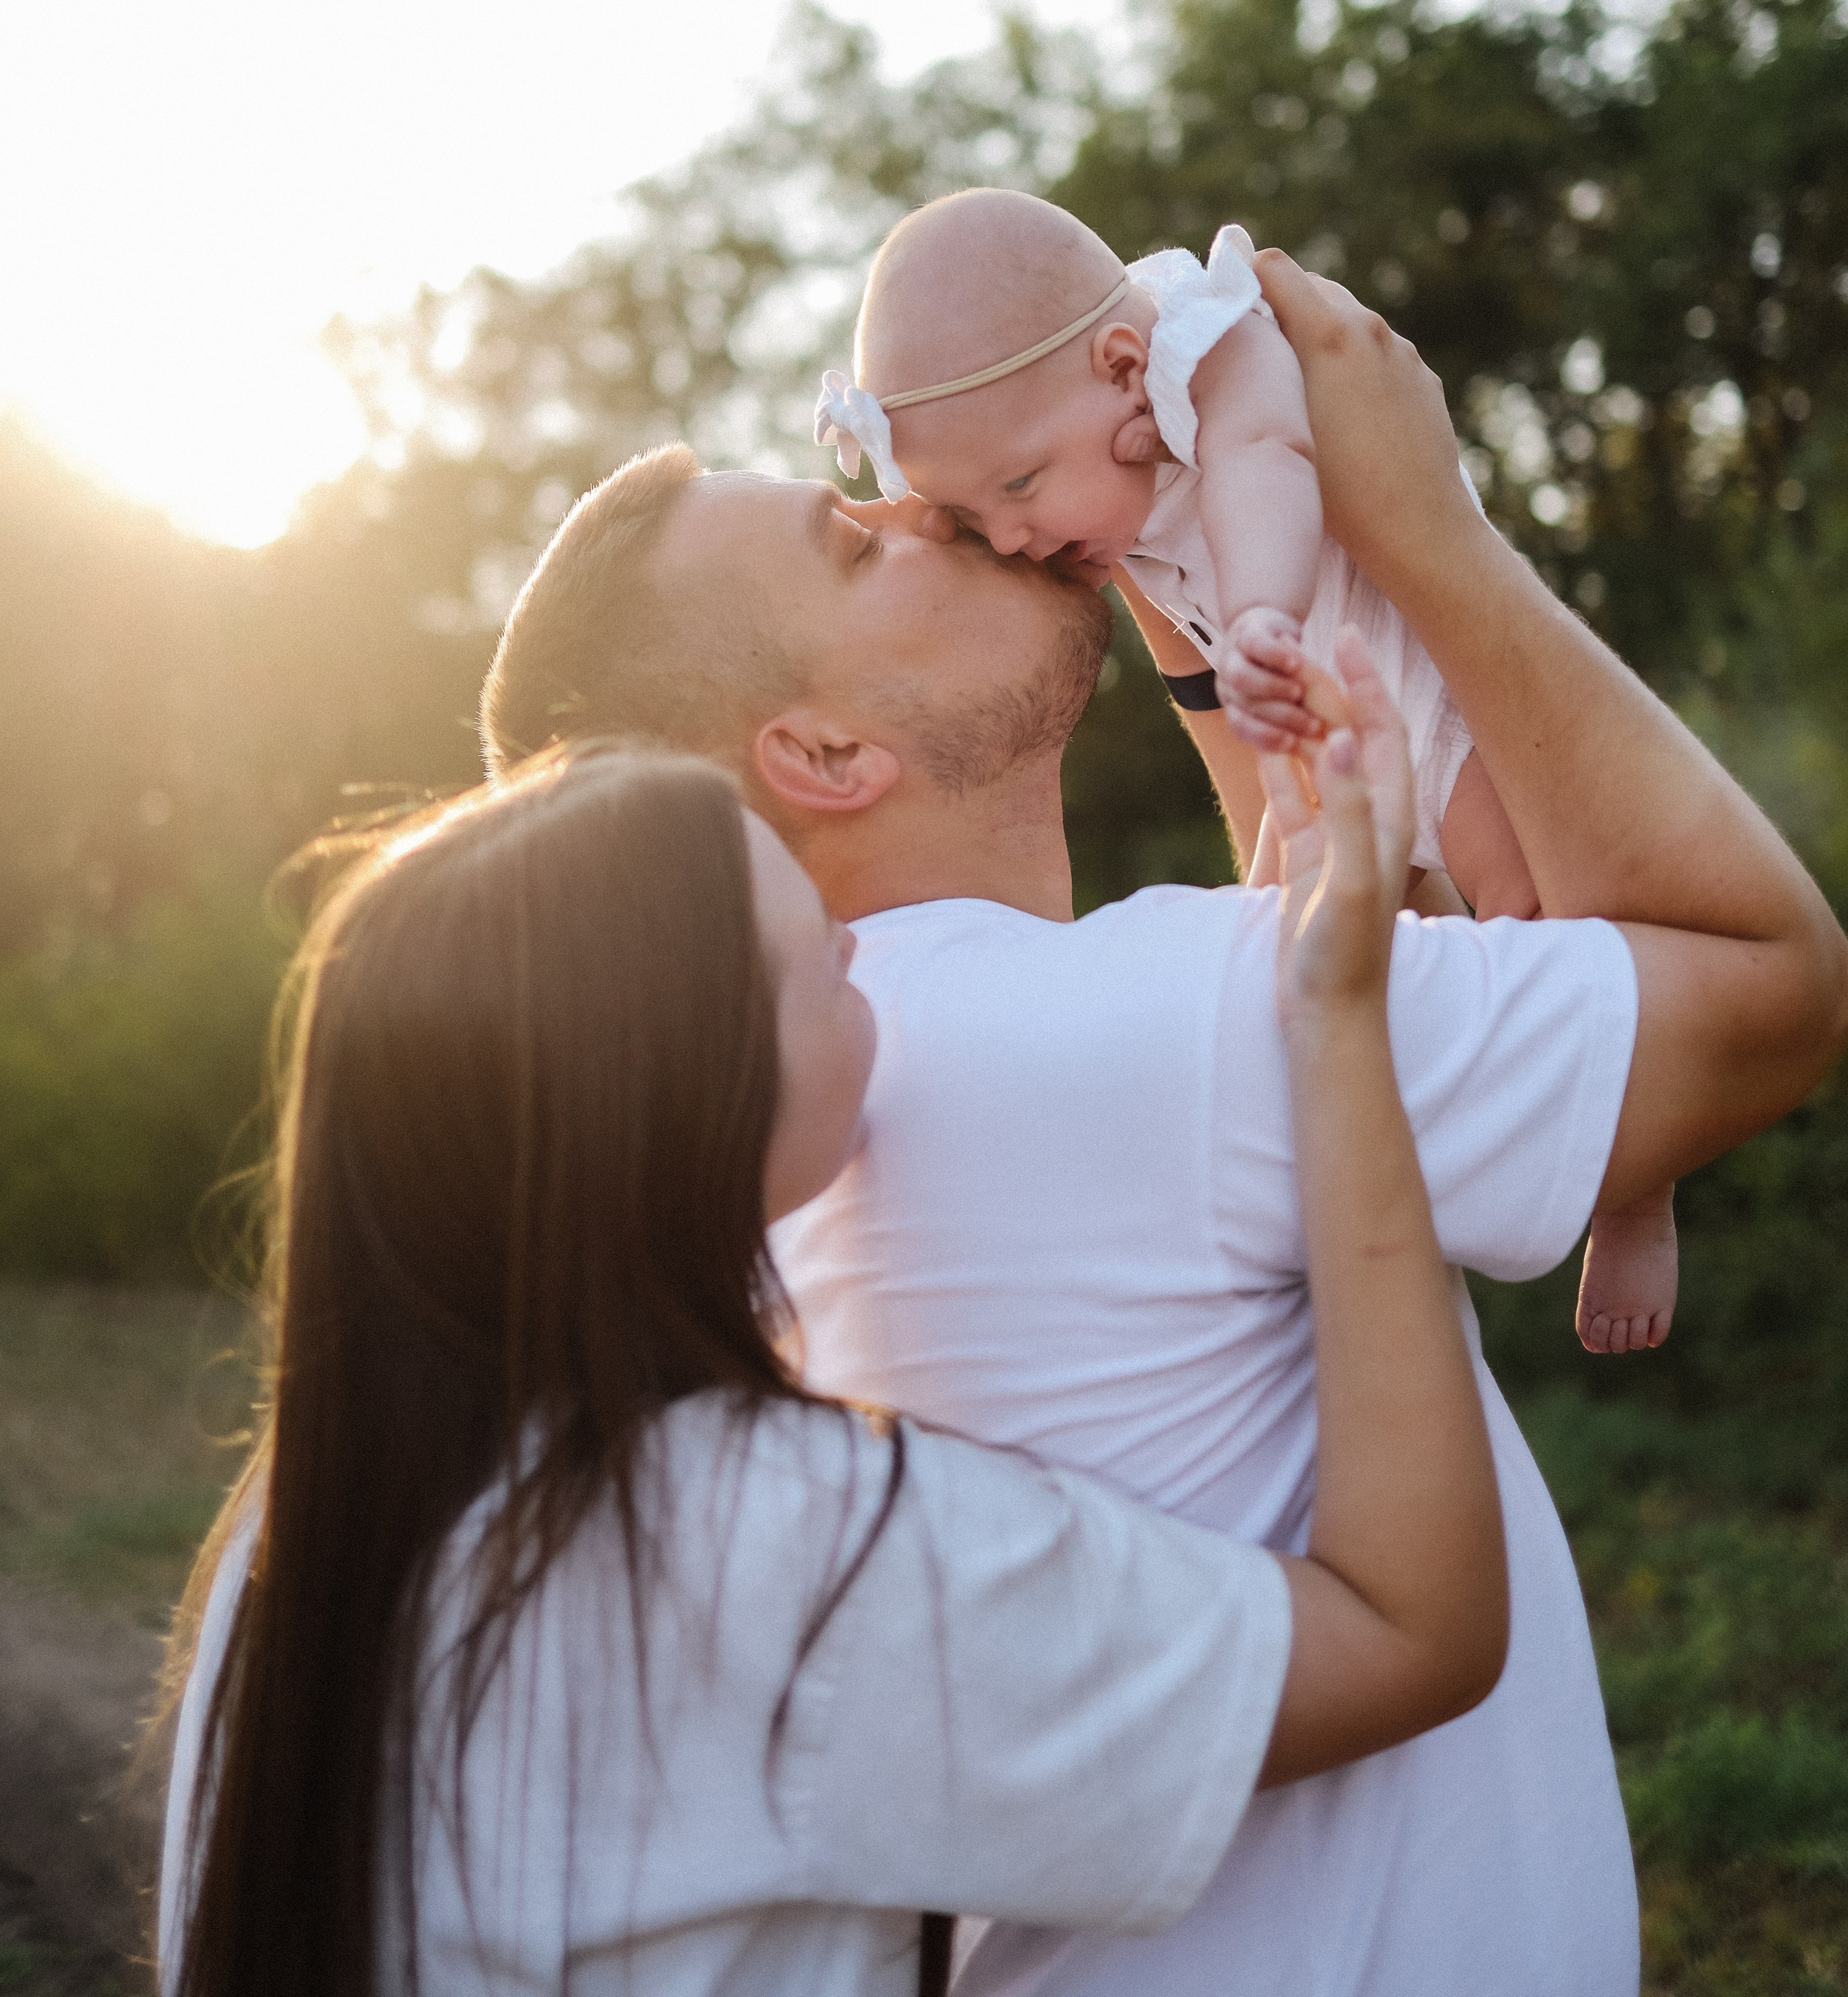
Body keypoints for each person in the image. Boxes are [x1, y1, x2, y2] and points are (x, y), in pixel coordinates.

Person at [480, 253, 1848, 1997]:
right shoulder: (1156, 1032)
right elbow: (1769, 989)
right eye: (854, 541)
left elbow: (1274, 919)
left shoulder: (784, 1121)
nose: (919, 510)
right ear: (820, 753)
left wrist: (1206, 639)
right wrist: (1430, 538)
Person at [158, 708, 1508, 1997]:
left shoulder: (301, 1529)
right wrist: (1341, 1015)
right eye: (814, 948)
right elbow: (1409, 1635)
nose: (861, 948)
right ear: (691, 1088)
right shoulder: (773, 1548)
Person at [815, 184, 1676, 1352]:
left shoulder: (1205, 347)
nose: (1010, 536)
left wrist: (1262, 611)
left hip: (1415, 679)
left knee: (1538, 919)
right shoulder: (1091, 453)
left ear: (1125, 364)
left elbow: (1268, 449)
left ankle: (1633, 1187)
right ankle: (1377, 1223)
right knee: (1275, 963)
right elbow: (1148, 599)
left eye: (1015, 489)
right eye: (970, 518)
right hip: (1301, 721)